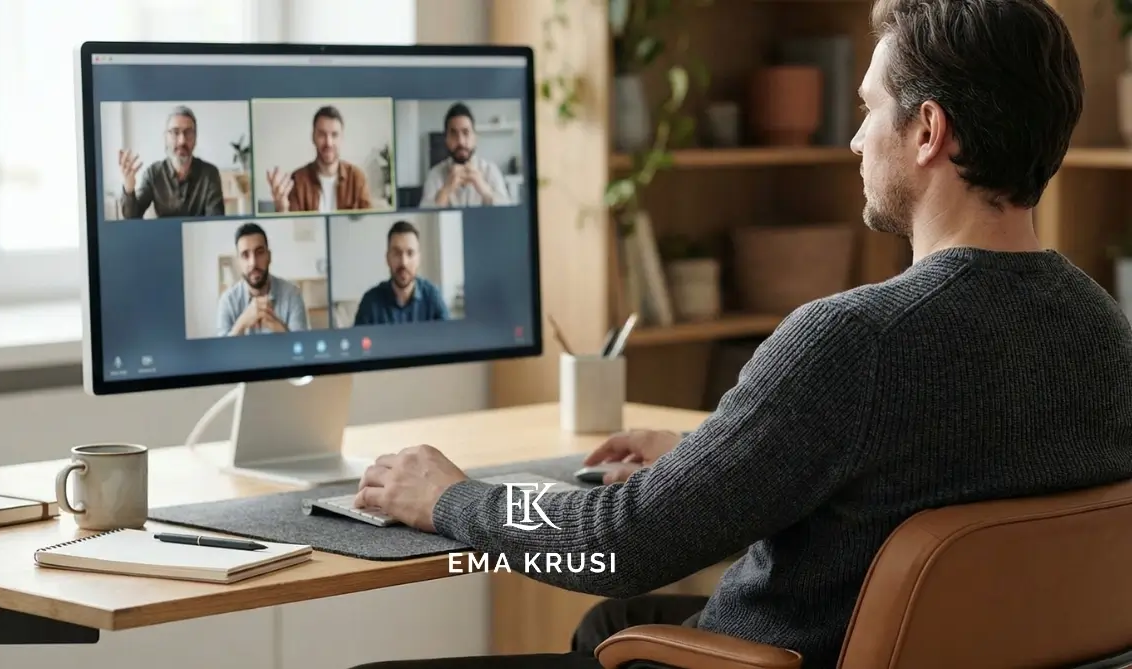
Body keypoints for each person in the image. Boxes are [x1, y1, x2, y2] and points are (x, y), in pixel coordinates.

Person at [348, 1, 1132, 668]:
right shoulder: (1104, 331)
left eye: (868, 109)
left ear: (928, 129)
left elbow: (617, 545)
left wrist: (449, 497)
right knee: (611, 628)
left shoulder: (854, 341)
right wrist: (717, 458)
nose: (856, 141)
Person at [118, 105, 225, 220]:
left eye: (188, 132)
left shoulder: (210, 173)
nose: (182, 140)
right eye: (175, 132)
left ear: (195, 138)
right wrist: (129, 188)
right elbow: (132, 218)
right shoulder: (153, 173)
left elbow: (215, 220)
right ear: (165, 138)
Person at [265, 105, 373, 213]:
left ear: (342, 138)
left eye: (334, 135)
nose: (328, 143)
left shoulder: (357, 178)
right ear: (313, 137)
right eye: (322, 134)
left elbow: (368, 222)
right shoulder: (298, 180)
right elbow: (292, 227)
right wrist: (282, 209)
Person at [215, 222, 308, 336]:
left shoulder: (293, 295)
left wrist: (276, 325)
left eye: (259, 253)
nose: (253, 262)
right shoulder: (227, 301)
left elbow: (302, 348)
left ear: (269, 256)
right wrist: (242, 323)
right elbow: (222, 352)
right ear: (239, 261)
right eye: (245, 255)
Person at [354, 220, 450, 325]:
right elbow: (357, 340)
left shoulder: (433, 297)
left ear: (418, 259)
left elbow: (450, 338)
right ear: (387, 258)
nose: (404, 262)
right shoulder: (370, 302)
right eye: (396, 253)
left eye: (410, 253)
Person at [420, 102, 510, 208]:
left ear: (474, 138)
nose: (461, 141)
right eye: (453, 133)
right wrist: (446, 190)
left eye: (466, 132)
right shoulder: (434, 174)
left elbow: (507, 210)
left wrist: (484, 189)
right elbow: (424, 211)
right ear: (446, 140)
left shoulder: (491, 170)